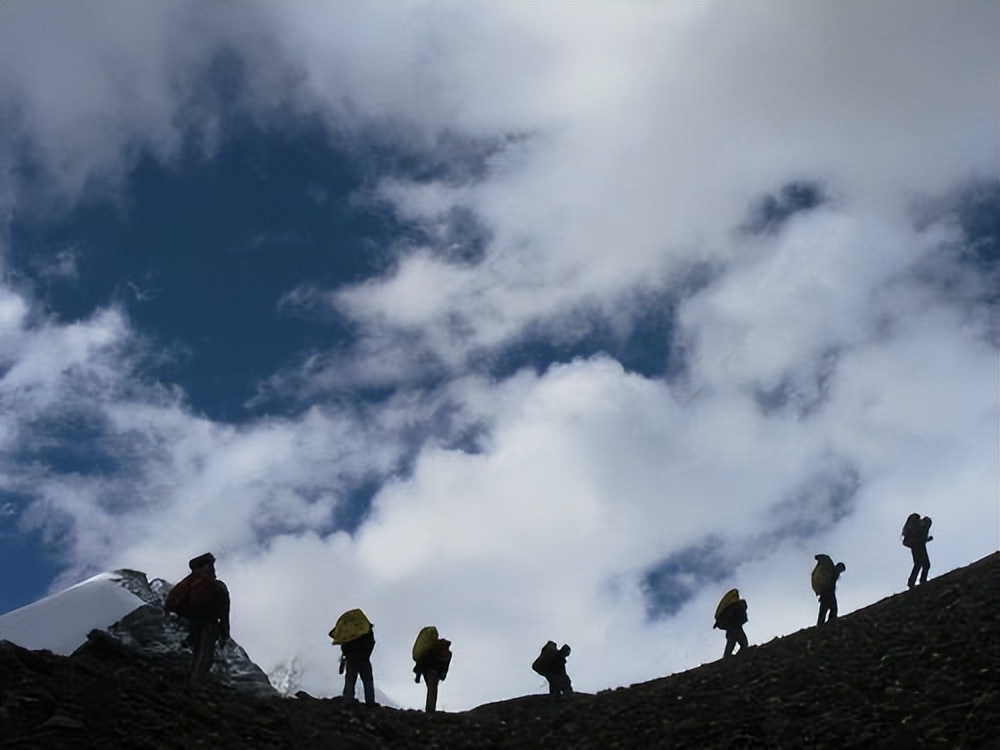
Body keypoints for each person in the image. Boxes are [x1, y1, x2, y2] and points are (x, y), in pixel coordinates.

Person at [164, 552, 231, 684]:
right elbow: (224, 611)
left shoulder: (186, 583)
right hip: (207, 625)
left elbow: (170, 603)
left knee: (191, 655)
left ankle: (183, 682)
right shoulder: (217, 586)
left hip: (185, 624)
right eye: (210, 565)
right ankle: (194, 686)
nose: (212, 568)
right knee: (203, 657)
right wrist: (224, 633)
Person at [329, 609, 376, 705]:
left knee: (350, 680)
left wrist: (348, 655)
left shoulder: (347, 634)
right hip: (364, 659)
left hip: (352, 660)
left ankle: (348, 700)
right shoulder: (367, 633)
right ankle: (370, 703)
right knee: (367, 681)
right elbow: (371, 643)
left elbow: (345, 647)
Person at [413, 627, 452, 714]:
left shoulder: (429, 646)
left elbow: (422, 660)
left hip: (426, 670)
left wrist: (418, 675)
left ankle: (430, 710)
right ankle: (430, 710)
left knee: (431, 689)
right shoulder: (439, 648)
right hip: (434, 672)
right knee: (433, 690)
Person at [812, 554, 846, 626]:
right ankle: (830, 623)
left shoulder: (831, 572)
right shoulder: (832, 572)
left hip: (825, 593)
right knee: (832, 608)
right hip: (828, 593)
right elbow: (831, 585)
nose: (840, 572)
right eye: (841, 570)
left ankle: (821, 624)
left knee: (824, 609)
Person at [902, 513, 933, 589]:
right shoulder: (921, 527)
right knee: (926, 564)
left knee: (918, 564)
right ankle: (922, 581)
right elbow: (921, 538)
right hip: (920, 546)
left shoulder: (915, 527)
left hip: (915, 547)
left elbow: (919, 538)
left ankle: (911, 582)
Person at [713, 591, 749, 658]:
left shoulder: (734, 607)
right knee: (741, 642)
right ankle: (731, 658)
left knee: (734, 642)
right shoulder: (736, 608)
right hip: (734, 628)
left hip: (733, 628)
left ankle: (727, 658)